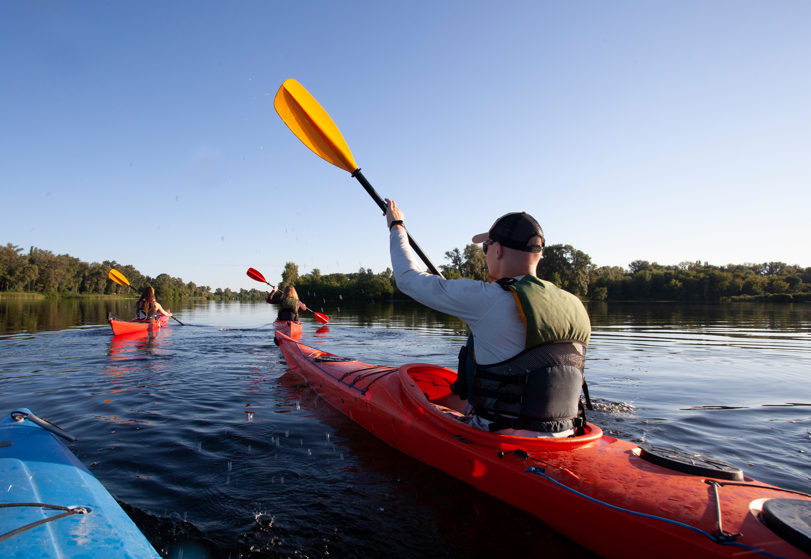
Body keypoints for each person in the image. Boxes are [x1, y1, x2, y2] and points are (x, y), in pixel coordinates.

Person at [385, 199, 592, 438]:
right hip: (568, 433)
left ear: (498, 249)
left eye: (486, 247)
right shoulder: (575, 304)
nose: (486, 254)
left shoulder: (489, 298)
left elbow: (407, 278)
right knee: (459, 399)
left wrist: (397, 225)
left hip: (499, 437)